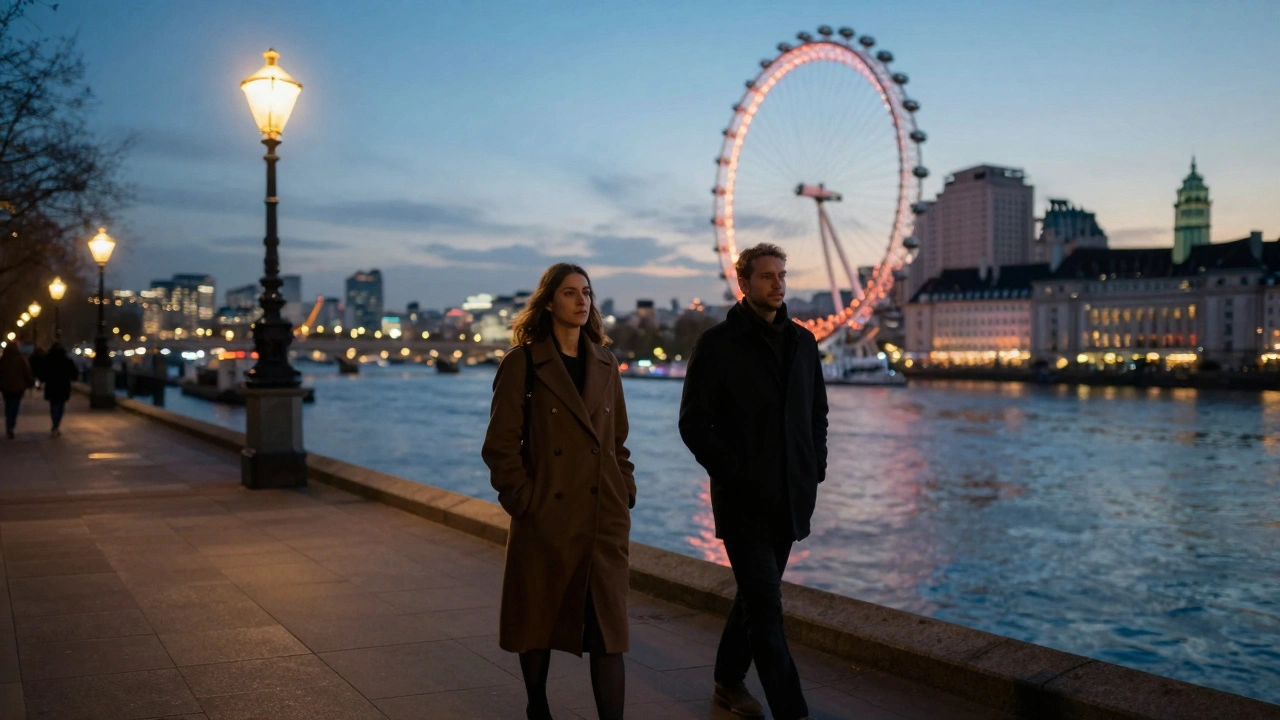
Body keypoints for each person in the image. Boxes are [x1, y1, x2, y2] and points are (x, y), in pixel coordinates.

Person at [678, 243, 828, 720]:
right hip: (743, 501)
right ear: (743, 284)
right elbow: (694, 423)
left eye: (782, 275)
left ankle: (727, 680)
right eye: (767, 276)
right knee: (766, 608)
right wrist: (735, 475)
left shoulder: (804, 342)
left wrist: (814, 469)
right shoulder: (717, 344)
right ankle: (792, 711)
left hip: (790, 497)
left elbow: (817, 414)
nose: (778, 283)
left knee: (753, 595)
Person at [482, 263, 636, 720]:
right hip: (546, 514)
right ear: (548, 302)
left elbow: (618, 442)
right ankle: (538, 706)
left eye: (586, 292)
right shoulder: (523, 363)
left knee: (609, 634)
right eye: (569, 292)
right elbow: (501, 445)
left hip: (603, 516)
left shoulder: (606, 363)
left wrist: (624, 490)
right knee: (537, 621)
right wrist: (524, 501)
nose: (581, 300)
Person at [40, 343, 77, 436]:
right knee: (61, 406)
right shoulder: (66, 360)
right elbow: (74, 372)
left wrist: (41, 381)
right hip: (63, 386)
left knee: (53, 405)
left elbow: (43, 372)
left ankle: (55, 424)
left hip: (52, 386)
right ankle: (56, 424)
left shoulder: (48, 359)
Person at [1, 343, 35, 439]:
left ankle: (9, 425)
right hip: (18, 388)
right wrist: (31, 382)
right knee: (15, 406)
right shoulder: (21, 359)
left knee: (8, 406)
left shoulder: (3, 359)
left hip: (6, 387)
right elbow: (27, 372)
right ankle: (12, 424)